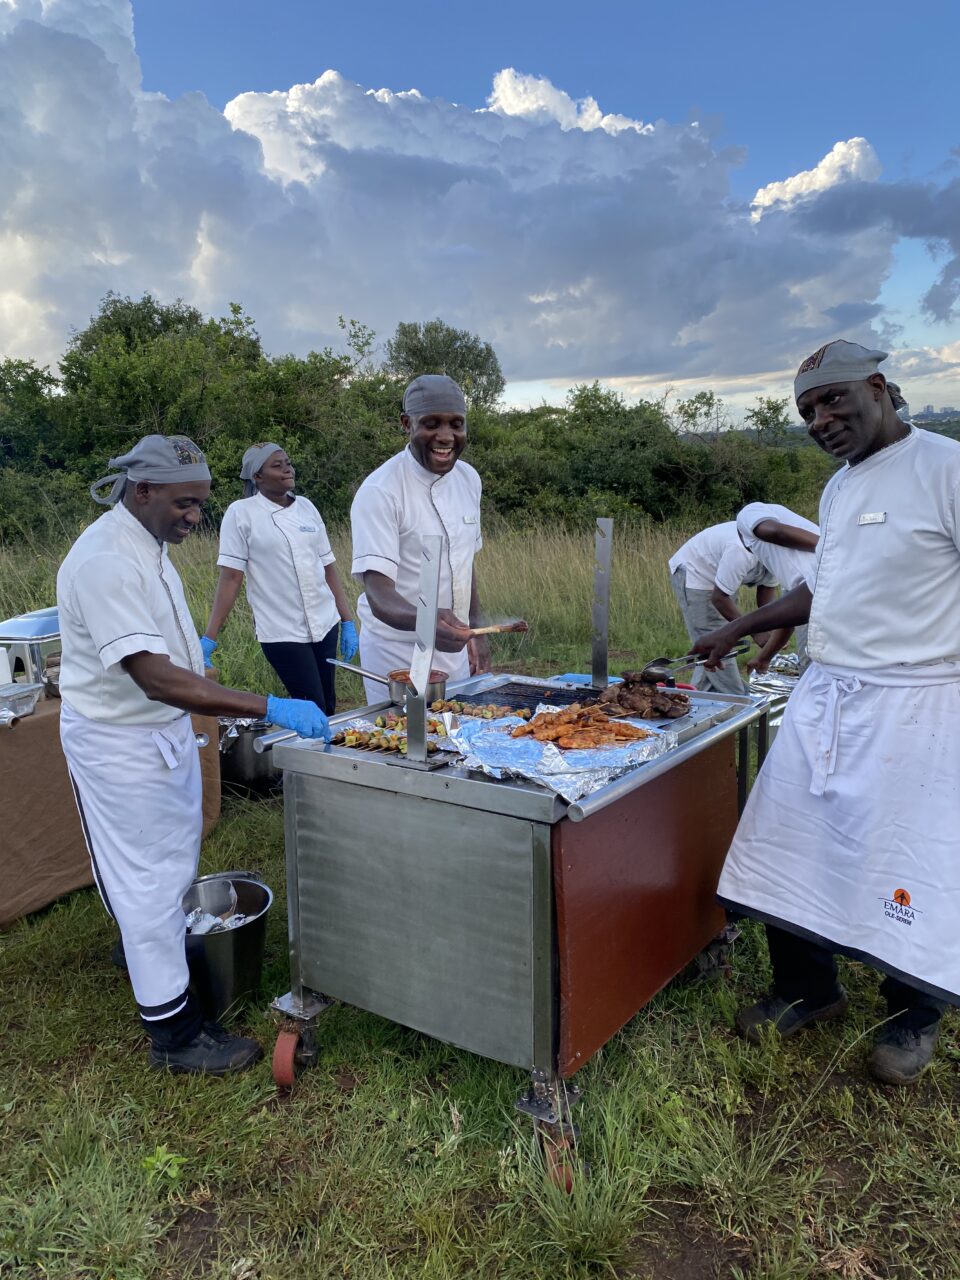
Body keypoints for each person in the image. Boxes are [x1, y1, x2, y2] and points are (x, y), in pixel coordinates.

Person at [693, 340, 960, 1084]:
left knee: (907, 854)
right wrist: (738, 628)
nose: (821, 418)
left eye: (834, 400)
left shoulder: (947, 468)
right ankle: (807, 989)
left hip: (918, 702)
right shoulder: (841, 489)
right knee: (789, 838)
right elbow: (826, 590)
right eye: (808, 409)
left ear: (878, 388)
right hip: (829, 691)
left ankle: (913, 1014)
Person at [57, 435, 331, 1075]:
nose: (195, 517)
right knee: (147, 881)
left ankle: (149, 951)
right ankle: (175, 1035)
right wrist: (267, 706)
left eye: (202, 503)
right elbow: (153, 676)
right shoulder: (104, 560)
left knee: (174, 855)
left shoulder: (146, 542)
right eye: (185, 503)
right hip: (118, 741)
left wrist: (199, 660)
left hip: (161, 729)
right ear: (142, 490)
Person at [349, 375, 491, 704]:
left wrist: (477, 633)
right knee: (404, 748)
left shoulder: (469, 479)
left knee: (455, 741)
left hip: (454, 646)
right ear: (406, 424)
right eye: (431, 424)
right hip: (397, 651)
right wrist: (427, 621)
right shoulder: (380, 491)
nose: (446, 436)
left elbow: (464, 565)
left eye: (456, 424)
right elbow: (378, 593)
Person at [201, 443, 358, 715]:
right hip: (282, 631)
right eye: (277, 465)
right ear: (257, 477)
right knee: (312, 705)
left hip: (325, 623)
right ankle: (309, 756)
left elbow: (328, 567)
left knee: (329, 706)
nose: (288, 468)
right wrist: (209, 637)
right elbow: (231, 578)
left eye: (288, 462)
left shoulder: (307, 507)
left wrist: (346, 620)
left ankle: (327, 756)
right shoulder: (241, 513)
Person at [668, 522, 778, 694]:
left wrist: (771, 628)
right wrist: (755, 631)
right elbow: (719, 598)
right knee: (718, 645)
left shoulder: (779, 553)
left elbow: (766, 589)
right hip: (698, 573)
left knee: (711, 653)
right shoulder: (741, 551)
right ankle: (741, 705)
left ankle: (695, 702)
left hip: (722, 581)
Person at [733, 502, 819, 671]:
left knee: (813, 671)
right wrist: (764, 657)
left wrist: (829, 546)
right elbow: (790, 617)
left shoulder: (748, 514)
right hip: (837, 594)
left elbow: (775, 531)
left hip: (822, 598)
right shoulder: (791, 564)